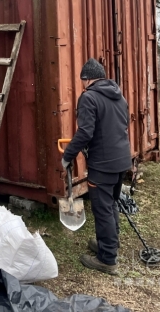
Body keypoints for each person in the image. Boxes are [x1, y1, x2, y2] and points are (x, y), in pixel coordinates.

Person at [60, 58, 132, 275]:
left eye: (83, 80)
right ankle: (110, 243)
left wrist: (68, 156)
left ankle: (107, 259)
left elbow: (85, 132)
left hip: (103, 164)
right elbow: (123, 125)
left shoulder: (89, 98)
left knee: (102, 210)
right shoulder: (119, 96)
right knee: (110, 204)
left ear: (87, 79)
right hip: (121, 161)